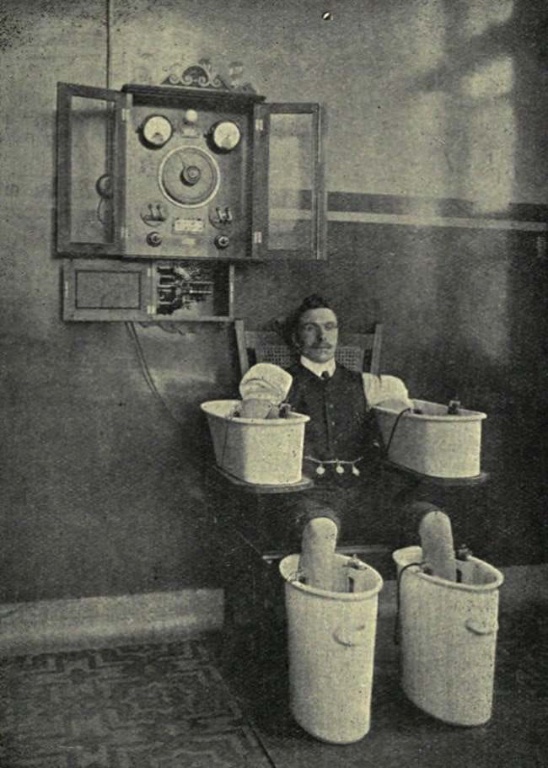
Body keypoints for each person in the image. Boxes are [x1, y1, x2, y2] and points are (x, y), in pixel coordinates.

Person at [279, 294, 413, 589]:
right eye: (311, 328)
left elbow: (405, 421)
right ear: (296, 338)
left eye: (330, 327)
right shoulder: (280, 382)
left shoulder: (366, 384)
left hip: (365, 493)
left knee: (435, 522)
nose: (323, 337)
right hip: (308, 494)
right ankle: (321, 618)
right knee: (321, 530)